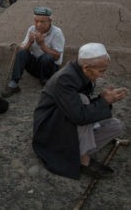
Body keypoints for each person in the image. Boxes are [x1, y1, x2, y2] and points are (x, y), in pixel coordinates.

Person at [33, 43, 127, 179]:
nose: (103, 76)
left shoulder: (82, 72)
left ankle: (74, 149)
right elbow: (79, 116)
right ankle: (83, 160)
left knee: (116, 126)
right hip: (51, 126)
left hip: (69, 118)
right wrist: (105, 101)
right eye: (102, 71)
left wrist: (103, 98)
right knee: (82, 100)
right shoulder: (65, 79)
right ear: (87, 68)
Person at [2, 6, 65, 98]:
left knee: (47, 57)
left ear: (50, 21)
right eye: (36, 21)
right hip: (36, 66)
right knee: (22, 53)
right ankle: (14, 83)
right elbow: (23, 49)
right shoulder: (32, 29)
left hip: (50, 68)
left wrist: (42, 45)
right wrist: (30, 42)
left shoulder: (57, 32)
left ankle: (46, 82)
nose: (38, 24)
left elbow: (57, 56)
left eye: (42, 22)